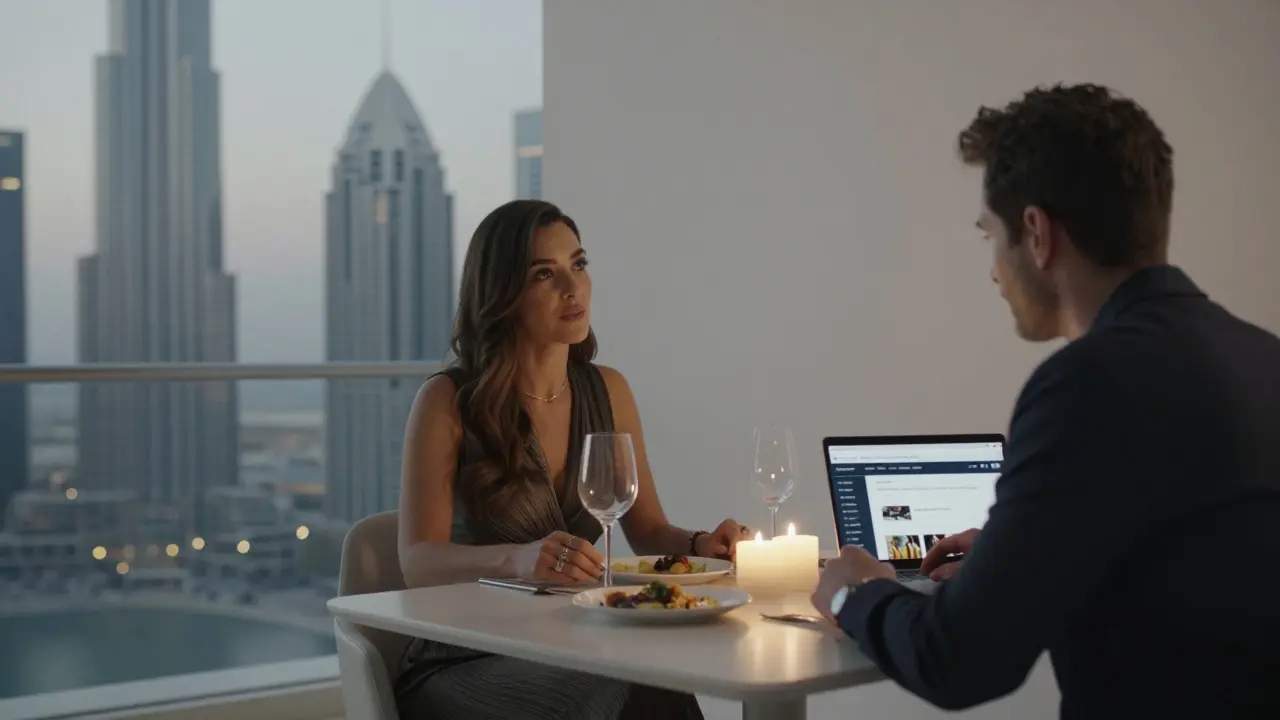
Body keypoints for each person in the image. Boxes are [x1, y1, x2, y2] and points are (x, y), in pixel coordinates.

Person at [811, 83, 1280, 718]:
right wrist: (1019, 549)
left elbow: (956, 661)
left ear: (1036, 233)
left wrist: (855, 596)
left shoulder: (1089, 382)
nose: (994, 272)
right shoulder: (1261, 356)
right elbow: (1192, 572)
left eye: (990, 238)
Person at [395, 199, 746, 719]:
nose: (572, 287)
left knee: (657, 683)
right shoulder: (447, 401)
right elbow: (416, 561)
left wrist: (703, 546)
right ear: (502, 294)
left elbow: (647, 530)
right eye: (545, 274)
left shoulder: (609, 390)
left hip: (571, 643)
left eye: (578, 265)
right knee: (632, 689)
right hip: (466, 658)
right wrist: (514, 559)